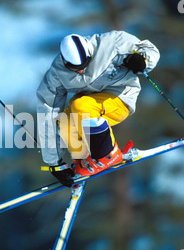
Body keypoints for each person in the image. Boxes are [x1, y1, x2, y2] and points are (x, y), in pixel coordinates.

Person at [36, 30, 160, 187]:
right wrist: (54, 162)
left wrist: (142, 60)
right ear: (65, 62)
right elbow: (47, 111)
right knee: (65, 120)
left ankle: (107, 155)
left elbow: (150, 49)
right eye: (75, 68)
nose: (81, 70)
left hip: (121, 97)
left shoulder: (111, 43)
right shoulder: (57, 73)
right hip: (91, 103)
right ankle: (82, 159)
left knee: (80, 106)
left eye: (84, 65)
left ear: (89, 52)